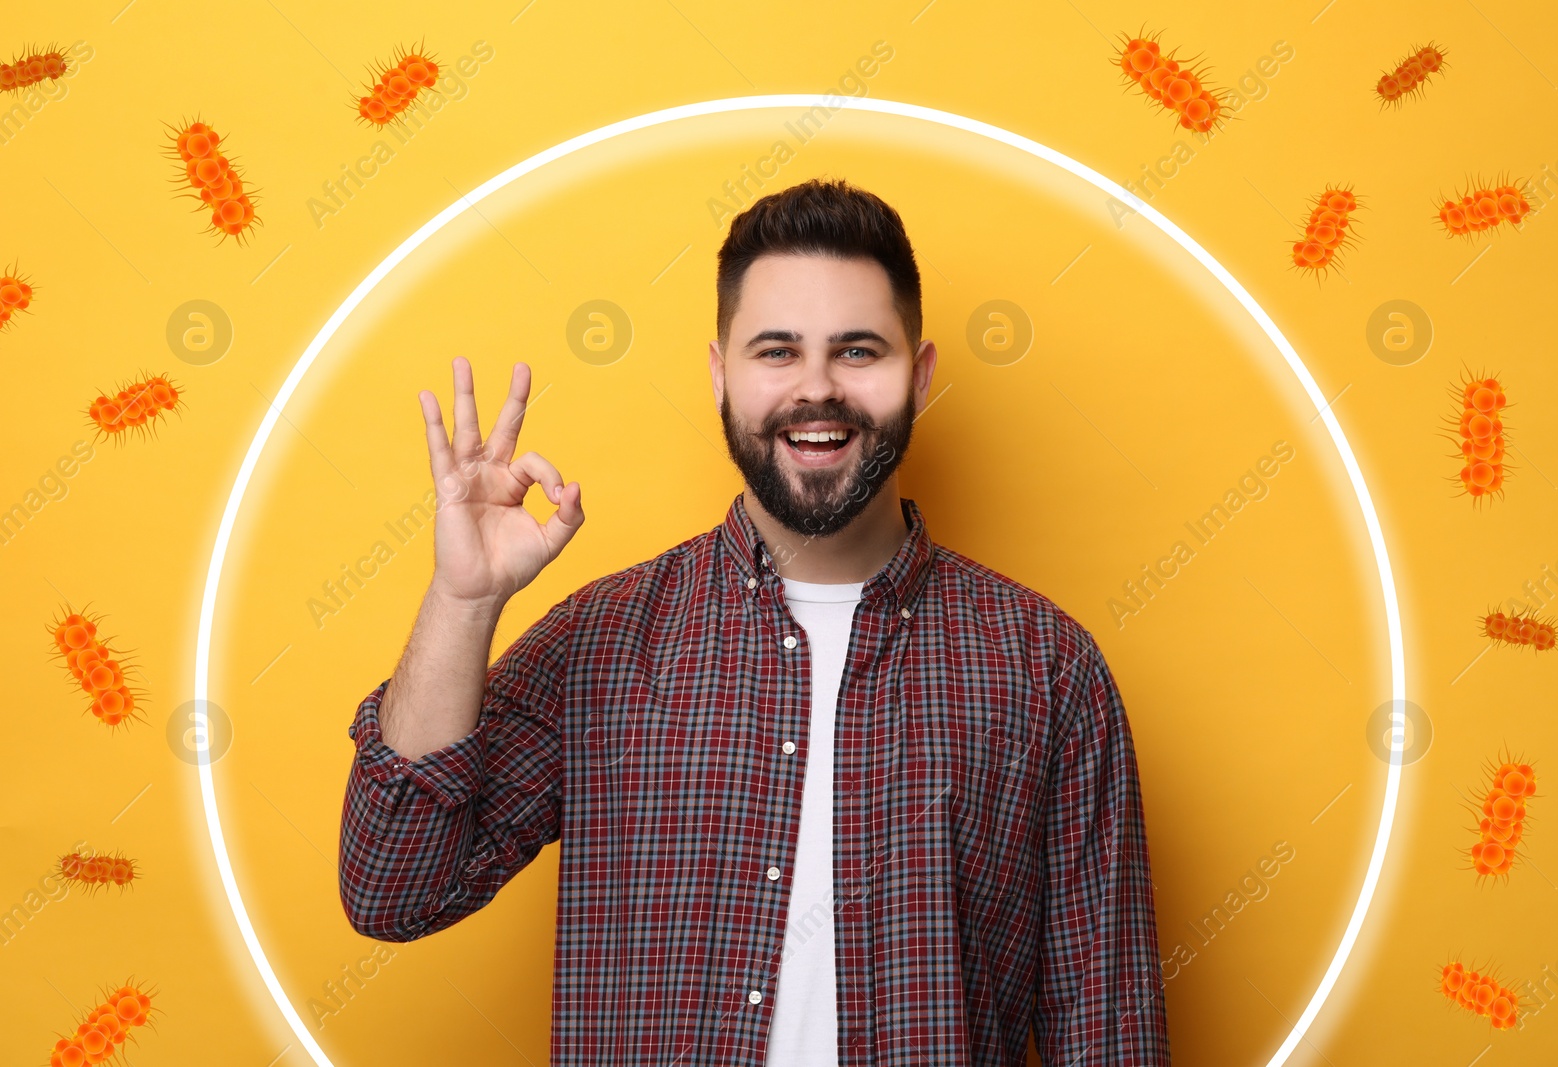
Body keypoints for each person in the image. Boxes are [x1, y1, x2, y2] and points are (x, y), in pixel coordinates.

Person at [338, 178, 1169, 1066]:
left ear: (920, 375)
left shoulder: (1044, 667)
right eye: (777, 351)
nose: (817, 389)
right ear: (720, 373)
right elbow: (393, 889)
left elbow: (1109, 1029)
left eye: (858, 351)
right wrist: (464, 603)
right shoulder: (606, 643)